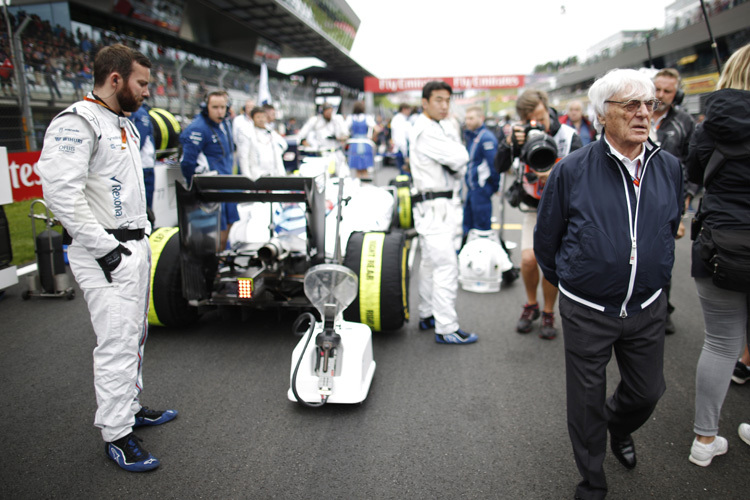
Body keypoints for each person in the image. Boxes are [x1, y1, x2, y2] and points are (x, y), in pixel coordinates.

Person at [535, 68, 683, 499]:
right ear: (603, 115)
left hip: (647, 306)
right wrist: (575, 284)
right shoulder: (572, 170)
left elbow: (668, 225)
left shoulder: (668, 167)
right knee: (585, 404)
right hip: (587, 309)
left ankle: (618, 425)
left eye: (650, 104)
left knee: (647, 392)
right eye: (630, 105)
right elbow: (548, 240)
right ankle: (592, 483)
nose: (644, 113)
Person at [37, 44, 177, 473]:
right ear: (115, 79)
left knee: (134, 335)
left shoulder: (124, 123)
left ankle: (129, 408)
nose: (147, 93)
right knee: (116, 343)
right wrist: (108, 250)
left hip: (133, 245)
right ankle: (117, 434)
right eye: (141, 83)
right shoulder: (76, 122)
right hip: (106, 252)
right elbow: (60, 193)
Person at [685, 43, 750, 468]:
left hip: (719, 243)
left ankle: (704, 441)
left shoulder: (707, 126)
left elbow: (693, 175)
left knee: (721, 343)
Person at [494, 89, 582, 340]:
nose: (537, 124)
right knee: (529, 260)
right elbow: (499, 166)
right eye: (530, 119)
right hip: (533, 207)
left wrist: (556, 172)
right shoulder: (519, 135)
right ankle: (531, 304)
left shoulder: (568, 135)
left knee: (551, 265)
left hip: (562, 209)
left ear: (546, 106)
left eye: (540, 117)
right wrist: (509, 143)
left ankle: (547, 311)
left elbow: (583, 172)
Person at [410, 81, 477, 345]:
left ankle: (428, 313)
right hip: (435, 206)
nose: (444, 105)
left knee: (429, 263)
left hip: (438, 204)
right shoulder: (427, 130)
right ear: (424, 102)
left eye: (447, 100)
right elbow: (461, 158)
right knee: (446, 265)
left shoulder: (435, 125)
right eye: (438, 100)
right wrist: (456, 148)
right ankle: (446, 326)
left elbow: (458, 165)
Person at [651, 67, 695, 334]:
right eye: (657, 89)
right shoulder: (637, 112)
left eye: (668, 91)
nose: (661, 95)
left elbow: (693, 163)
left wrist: (686, 198)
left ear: (676, 93)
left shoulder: (685, 122)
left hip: (669, 198)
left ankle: (662, 309)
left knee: (663, 254)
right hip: (634, 195)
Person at [180, 90, 237, 249]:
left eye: (223, 107)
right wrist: (198, 189)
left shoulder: (224, 124)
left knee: (230, 224)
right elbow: (187, 163)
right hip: (213, 189)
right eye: (215, 107)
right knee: (217, 232)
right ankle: (214, 264)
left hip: (228, 184)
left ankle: (222, 256)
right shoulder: (198, 128)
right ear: (206, 107)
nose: (219, 111)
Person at [462, 106, 500, 237]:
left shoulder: (486, 138)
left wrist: (494, 187)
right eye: (466, 118)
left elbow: (494, 165)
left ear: (481, 118)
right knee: (468, 226)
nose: (468, 121)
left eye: (471, 118)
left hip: (481, 189)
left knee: (482, 229)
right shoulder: (472, 136)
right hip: (472, 189)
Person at [237, 106, 286, 180]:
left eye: (263, 117)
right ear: (253, 118)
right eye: (258, 117)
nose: (261, 119)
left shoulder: (271, 132)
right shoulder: (247, 133)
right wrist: (247, 178)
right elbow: (243, 157)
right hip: (256, 175)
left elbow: (283, 144)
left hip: (273, 174)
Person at [128, 98, 156, 217]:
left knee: (143, 208)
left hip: (143, 166)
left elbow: (138, 140)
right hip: (142, 167)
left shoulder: (139, 112)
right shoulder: (140, 112)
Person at [345, 101, 376, 179]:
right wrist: (371, 137)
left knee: (357, 170)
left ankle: (358, 186)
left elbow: (344, 130)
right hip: (365, 143)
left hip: (354, 143)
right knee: (365, 169)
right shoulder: (367, 117)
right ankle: (366, 185)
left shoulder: (350, 118)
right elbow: (377, 129)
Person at [389, 103, 412, 175]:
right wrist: (405, 153)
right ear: (404, 109)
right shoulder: (400, 120)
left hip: (400, 148)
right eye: (408, 110)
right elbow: (400, 137)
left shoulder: (398, 119)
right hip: (402, 149)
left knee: (403, 170)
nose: (409, 112)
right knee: (405, 171)